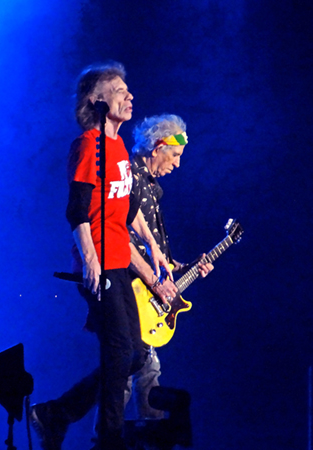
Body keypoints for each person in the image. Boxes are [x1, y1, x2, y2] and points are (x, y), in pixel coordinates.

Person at [30, 62, 170, 450]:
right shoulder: (88, 145)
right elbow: (76, 210)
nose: (129, 96)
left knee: (137, 354)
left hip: (120, 262)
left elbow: (126, 210)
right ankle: (109, 438)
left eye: (128, 90)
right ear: (98, 101)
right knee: (120, 350)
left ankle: (56, 414)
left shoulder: (119, 146)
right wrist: (89, 258)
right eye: (119, 90)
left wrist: (153, 245)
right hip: (99, 265)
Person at [124, 114, 213, 421]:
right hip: (129, 286)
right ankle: (62, 414)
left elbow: (154, 255)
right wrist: (154, 280)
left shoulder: (151, 188)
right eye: (174, 155)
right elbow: (121, 238)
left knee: (138, 368)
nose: (177, 164)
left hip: (143, 287)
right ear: (157, 148)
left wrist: (185, 267)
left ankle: (144, 436)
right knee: (132, 366)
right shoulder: (130, 178)